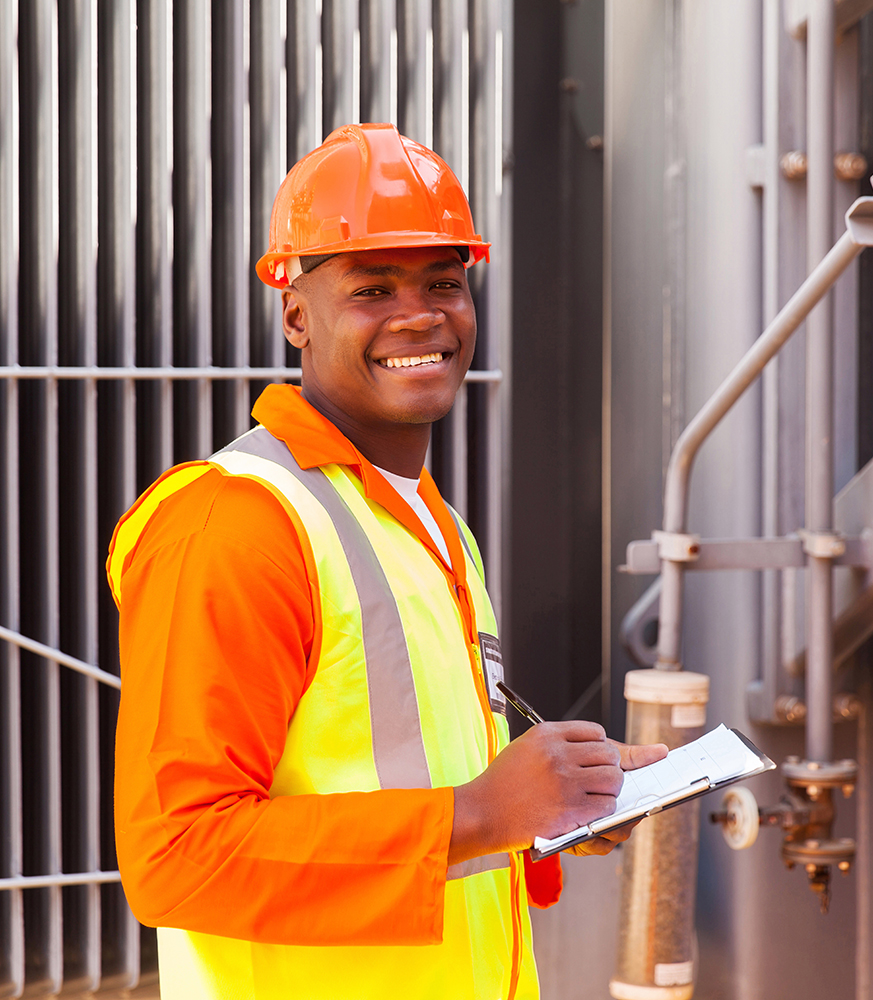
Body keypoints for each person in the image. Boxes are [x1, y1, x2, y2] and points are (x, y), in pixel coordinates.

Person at [109, 123, 667, 1000]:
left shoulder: (429, 524)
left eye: (444, 283)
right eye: (372, 287)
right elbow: (175, 860)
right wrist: (482, 812)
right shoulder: (235, 523)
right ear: (296, 314)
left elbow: (419, 791)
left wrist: (546, 812)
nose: (420, 315)